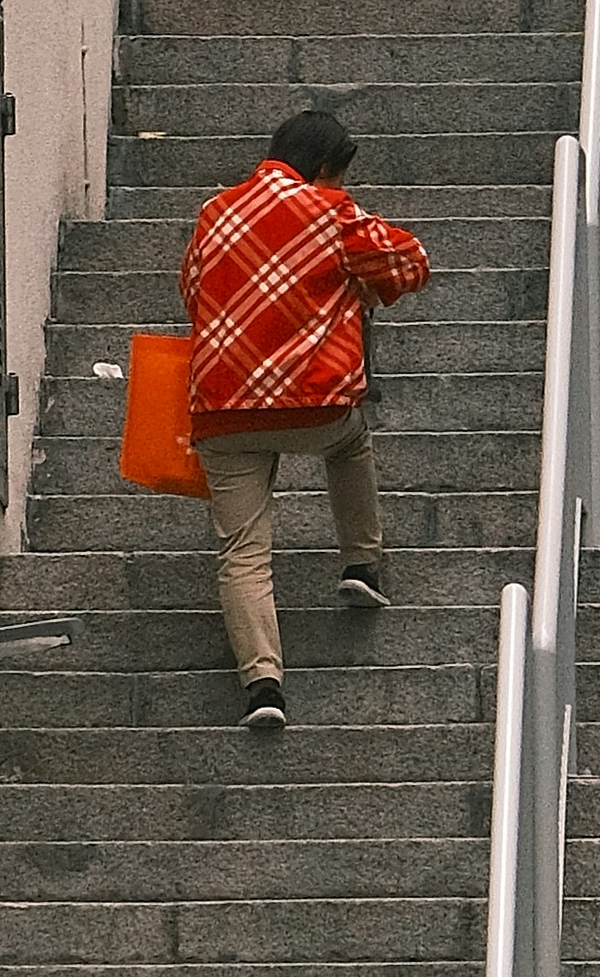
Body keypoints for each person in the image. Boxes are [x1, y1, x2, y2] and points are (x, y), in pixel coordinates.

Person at [182, 100, 430, 734]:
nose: (343, 187)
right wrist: (362, 284)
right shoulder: (333, 211)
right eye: (340, 175)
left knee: (241, 551)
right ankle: (359, 564)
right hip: (314, 404)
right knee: (350, 443)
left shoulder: (214, 213)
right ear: (323, 168)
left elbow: (191, 289)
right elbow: (410, 261)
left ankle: (263, 683)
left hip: (222, 410)